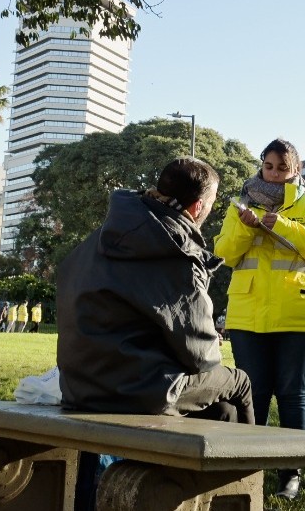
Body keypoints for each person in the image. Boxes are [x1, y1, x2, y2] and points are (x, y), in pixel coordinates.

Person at [57, 157, 253, 422]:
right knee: (240, 382)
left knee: (222, 411)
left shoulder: (101, 237)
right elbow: (202, 357)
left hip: (79, 388)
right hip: (140, 391)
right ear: (198, 207)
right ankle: (254, 461)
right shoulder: (176, 253)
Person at [215, 138, 305, 501]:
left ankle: (291, 471)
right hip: (247, 312)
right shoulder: (239, 204)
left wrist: (280, 224)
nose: (274, 174)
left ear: (296, 169)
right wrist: (245, 226)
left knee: (292, 393)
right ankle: (251, 467)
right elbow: (224, 252)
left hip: (298, 313)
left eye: (282, 168)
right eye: (268, 166)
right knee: (253, 394)